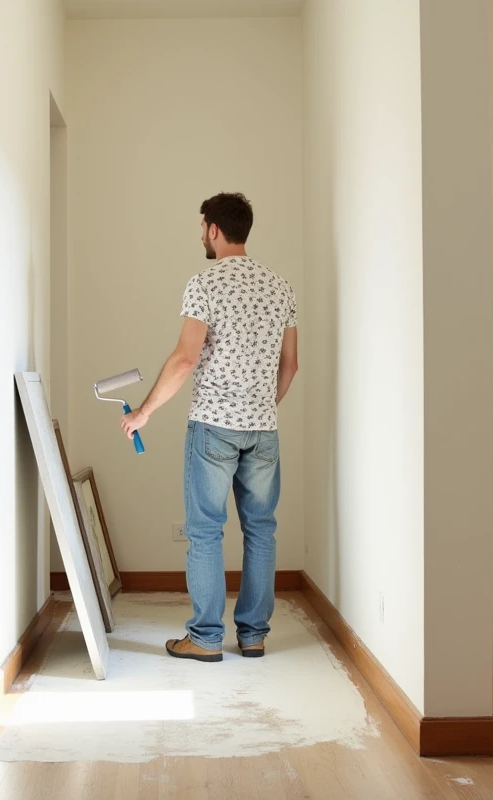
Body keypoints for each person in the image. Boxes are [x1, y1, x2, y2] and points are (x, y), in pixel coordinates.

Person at [121, 192, 299, 663]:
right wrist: (262, 405)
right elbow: (291, 365)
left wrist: (142, 413)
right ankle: (254, 636)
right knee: (261, 530)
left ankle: (203, 639)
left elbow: (184, 359)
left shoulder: (205, 283)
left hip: (213, 428)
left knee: (204, 531)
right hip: (263, 431)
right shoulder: (280, 287)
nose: (201, 234)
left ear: (214, 229)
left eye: (203, 227)